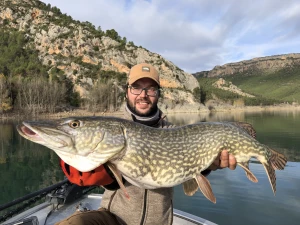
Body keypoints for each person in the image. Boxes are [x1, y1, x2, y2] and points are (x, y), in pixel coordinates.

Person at [56, 63, 237, 225]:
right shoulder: (112, 128)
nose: (143, 95)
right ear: (127, 91)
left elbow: (192, 166)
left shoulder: (172, 131)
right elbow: (83, 171)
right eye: (136, 88)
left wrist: (207, 165)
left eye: (150, 89)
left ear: (158, 94)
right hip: (114, 219)